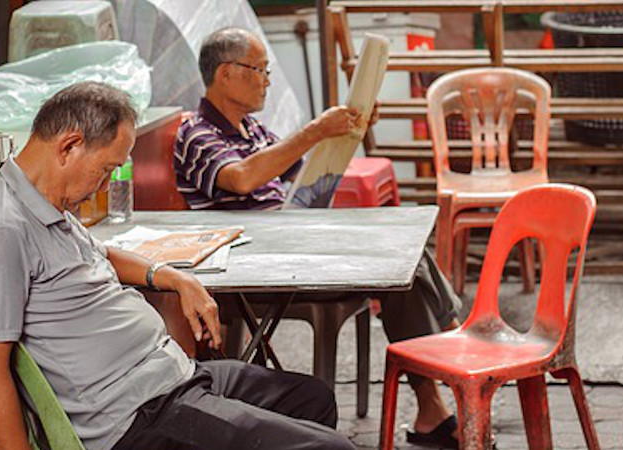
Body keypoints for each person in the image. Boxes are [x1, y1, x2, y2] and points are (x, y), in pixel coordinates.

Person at [0, 82, 356, 450]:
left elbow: (103, 254)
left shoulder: (50, 205)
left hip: (171, 375)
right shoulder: (2, 233)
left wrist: (173, 277)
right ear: (69, 146)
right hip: (139, 416)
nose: (105, 185)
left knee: (313, 398)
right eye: (106, 169)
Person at [175, 28, 464, 448]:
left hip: (292, 247)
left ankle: (441, 387)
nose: (267, 81)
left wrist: (345, 131)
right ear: (226, 73)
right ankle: (457, 357)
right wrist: (314, 130)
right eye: (259, 70)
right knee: (403, 263)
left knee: (405, 260)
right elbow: (241, 179)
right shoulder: (197, 133)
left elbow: (305, 174)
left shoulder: (252, 130)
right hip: (256, 268)